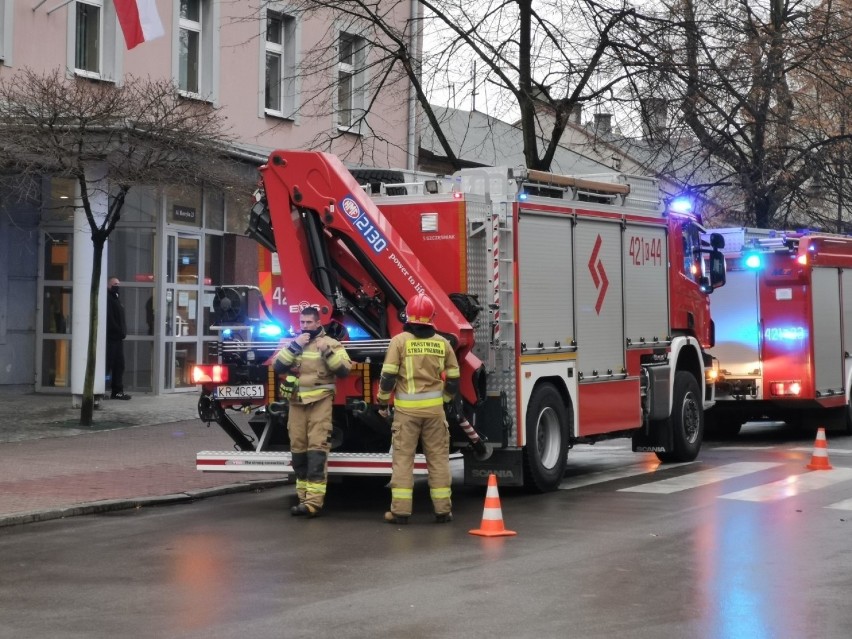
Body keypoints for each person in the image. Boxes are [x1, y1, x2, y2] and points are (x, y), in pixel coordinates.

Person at [377, 293, 460, 525]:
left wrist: (383, 402)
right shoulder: (443, 343)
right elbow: (454, 378)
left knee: (403, 459)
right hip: (435, 412)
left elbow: (388, 377)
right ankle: (443, 511)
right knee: (439, 459)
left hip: (406, 414)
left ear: (409, 315)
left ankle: (400, 512)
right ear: (432, 317)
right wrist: (444, 398)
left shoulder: (399, 341)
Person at [273, 307, 352, 517]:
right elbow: (278, 366)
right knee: (298, 450)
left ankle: (314, 503)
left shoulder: (332, 344)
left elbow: (344, 370)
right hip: (296, 404)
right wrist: (294, 346)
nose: (305, 326)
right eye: (302, 322)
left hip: (320, 403)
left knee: (317, 451)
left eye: (309, 322)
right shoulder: (293, 343)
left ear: (318, 323)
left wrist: (326, 350)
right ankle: (302, 498)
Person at [106, 276, 131, 400]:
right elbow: (110, 319)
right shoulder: (108, 299)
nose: (118, 286)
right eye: (115, 283)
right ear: (109, 285)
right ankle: (98, 390)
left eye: (119, 283)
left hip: (117, 338)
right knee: (107, 364)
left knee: (119, 365)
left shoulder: (116, 299)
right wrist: (118, 331)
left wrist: (122, 332)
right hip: (111, 339)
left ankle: (117, 391)